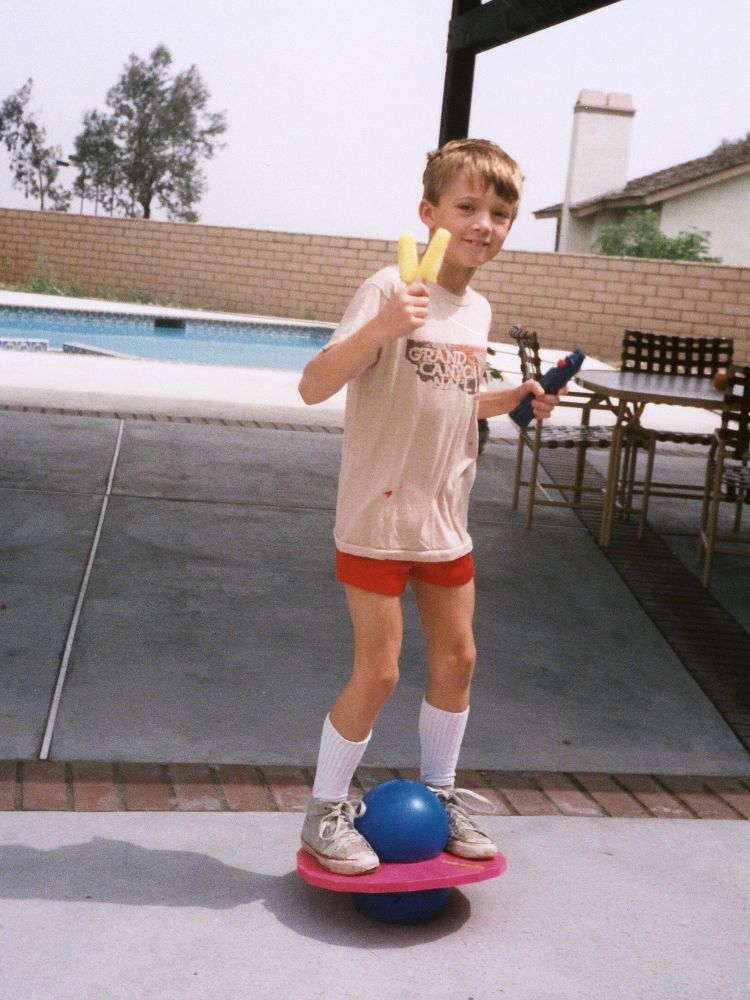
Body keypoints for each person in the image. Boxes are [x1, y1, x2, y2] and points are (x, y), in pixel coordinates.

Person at [297, 138, 563, 875]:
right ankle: (324, 811)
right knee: (379, 673)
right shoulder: (390, 287)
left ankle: (441, 795)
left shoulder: (477, 309)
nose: (484, 224)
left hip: (444, 518)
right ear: (429, 212)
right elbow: (313, 386)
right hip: (378, 520)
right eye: (467, 207)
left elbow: (449, 396)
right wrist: (385, 325)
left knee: (458, 660)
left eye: (499, 213)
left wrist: (511, 398)